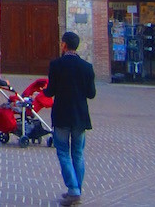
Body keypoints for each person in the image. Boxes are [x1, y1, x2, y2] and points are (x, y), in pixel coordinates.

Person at [45, 31, 96, 207]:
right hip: (80, 115)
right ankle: (76, 190)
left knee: (63, 152)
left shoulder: (56, 65)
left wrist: (43, 91)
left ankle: (73, 190)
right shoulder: (87, 67)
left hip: (62, 114)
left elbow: (50, 91)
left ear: (64, 45)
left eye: (61, 43)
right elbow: (91, 94)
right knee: (78, 153)